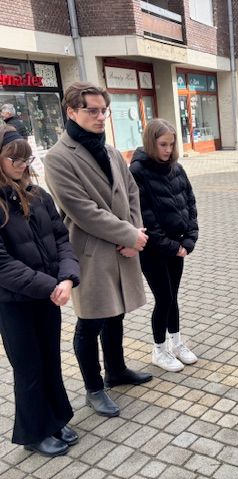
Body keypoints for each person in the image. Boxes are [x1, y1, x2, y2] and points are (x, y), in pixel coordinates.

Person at [44, 82, 152, 419]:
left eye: (103, 109)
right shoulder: (58, 158)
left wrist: (135, 232)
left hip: (122, 247)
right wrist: (129, 234)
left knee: (115, 311)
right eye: (92, 110)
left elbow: (131, 191)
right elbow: (82, 210)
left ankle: (116, 370)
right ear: (72, 111)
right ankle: (94, 388)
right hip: (91, 252)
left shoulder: (109, 151)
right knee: (90, 321)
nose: (100, 116)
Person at [0, 125, 80, 457]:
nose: (21, 163)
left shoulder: (38, 194)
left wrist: (67, 278)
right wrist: (51, 285)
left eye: (25, 157)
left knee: (50, 360)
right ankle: (34, 431)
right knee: (29, 366)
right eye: (13, 158)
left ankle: (56, 417)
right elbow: (2, 264)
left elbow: (62, 239)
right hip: (15, 303)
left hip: (49, 295)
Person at [129, 119, 199, 373]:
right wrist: (171, 246)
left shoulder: (176, 168)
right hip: (154, 250)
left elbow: (189, 203)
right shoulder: (138, 171)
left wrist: (189, 240)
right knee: (164, 298)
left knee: (174, 297)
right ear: (151, 142)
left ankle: (177, 343)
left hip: (178, 246)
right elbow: (145, 216)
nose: (168, 150)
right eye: (162, 145)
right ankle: (159, 350)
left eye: (171, 144)